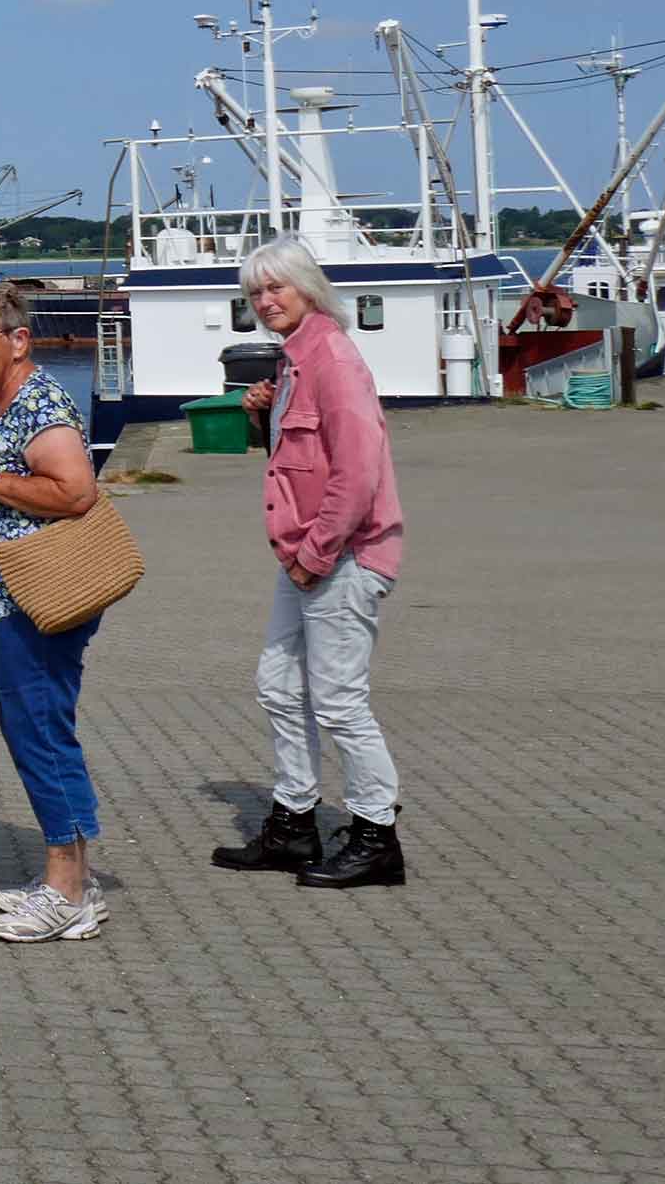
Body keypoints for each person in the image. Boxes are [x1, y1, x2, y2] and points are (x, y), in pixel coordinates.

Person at [212, 235, 409, 889]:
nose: (265, 301)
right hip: (302, 555)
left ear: (308, 288)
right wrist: (261, 418)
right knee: (277, 685)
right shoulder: (294, 361)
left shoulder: (333, 359)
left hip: (342, 556)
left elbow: (357, 472)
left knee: (340, 703)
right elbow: (298, 460)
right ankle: (294, 825)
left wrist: (317, 555)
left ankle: (376, 837)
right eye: (255, 292)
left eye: (277, 288)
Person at [0, 281, 108, 943]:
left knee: (38, 729)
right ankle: (74, 883)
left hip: (38, 600)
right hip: (19, 600)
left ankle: (65, 889)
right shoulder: (11, 399)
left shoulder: (38, 402)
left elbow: (75, 490)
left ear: (18, 341)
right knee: (38, 725)